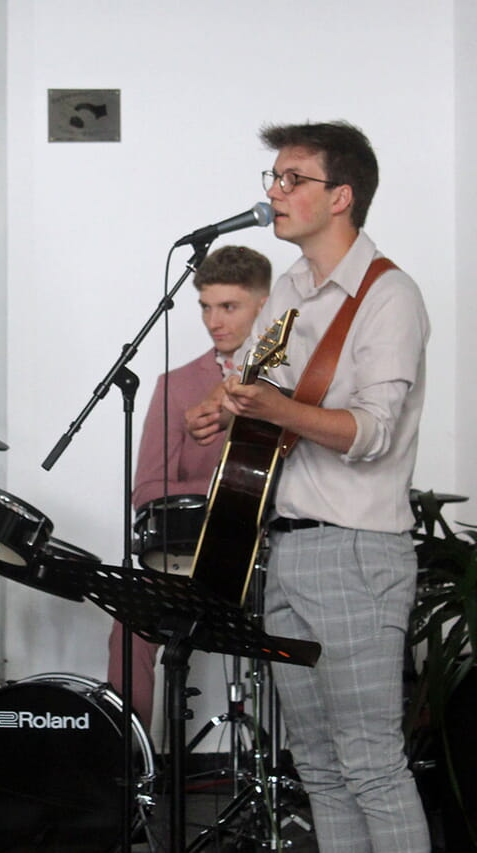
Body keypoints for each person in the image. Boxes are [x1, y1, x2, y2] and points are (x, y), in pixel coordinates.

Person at [188, 121, 429, 852]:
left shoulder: (390, 296)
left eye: (294, 179)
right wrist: (224, 405)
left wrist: (273, 407)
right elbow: (262, 387)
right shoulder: (290, 287)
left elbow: (372, 432)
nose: (274, 192)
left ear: (343, 196)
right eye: (274, 178)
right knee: (319, 767)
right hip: (288, 548)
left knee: (372, 764)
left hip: (357, 550)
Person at [108, 246, 271, 730]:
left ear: (264, 304)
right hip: (195, 560)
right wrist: (236, 487)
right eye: (205, 306)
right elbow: (148, 490)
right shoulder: (175, 384)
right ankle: (129, 761)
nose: (214, 321)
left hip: (275, 552)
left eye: (229, 307)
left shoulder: (293, 379)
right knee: (129, 622)